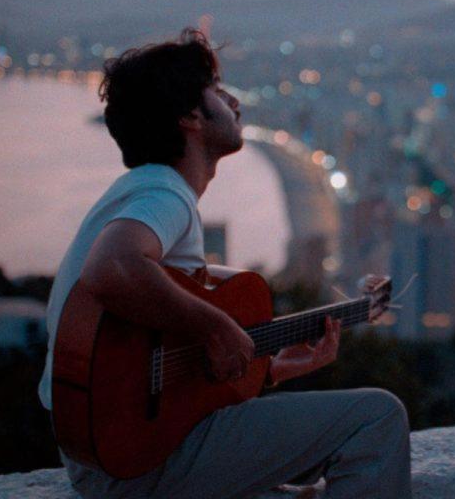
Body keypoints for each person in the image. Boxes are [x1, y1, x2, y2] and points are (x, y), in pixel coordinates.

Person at [37, 29, 411, 499]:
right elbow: (110, 269)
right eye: (216, 90)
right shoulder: (163, 192)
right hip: (135, 467)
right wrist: (217, 326)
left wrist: (269, 368)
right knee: (376, 419)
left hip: (114, 457)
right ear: (191, 116)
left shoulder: (138, 192)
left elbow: (155, 363)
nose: (233, 100)